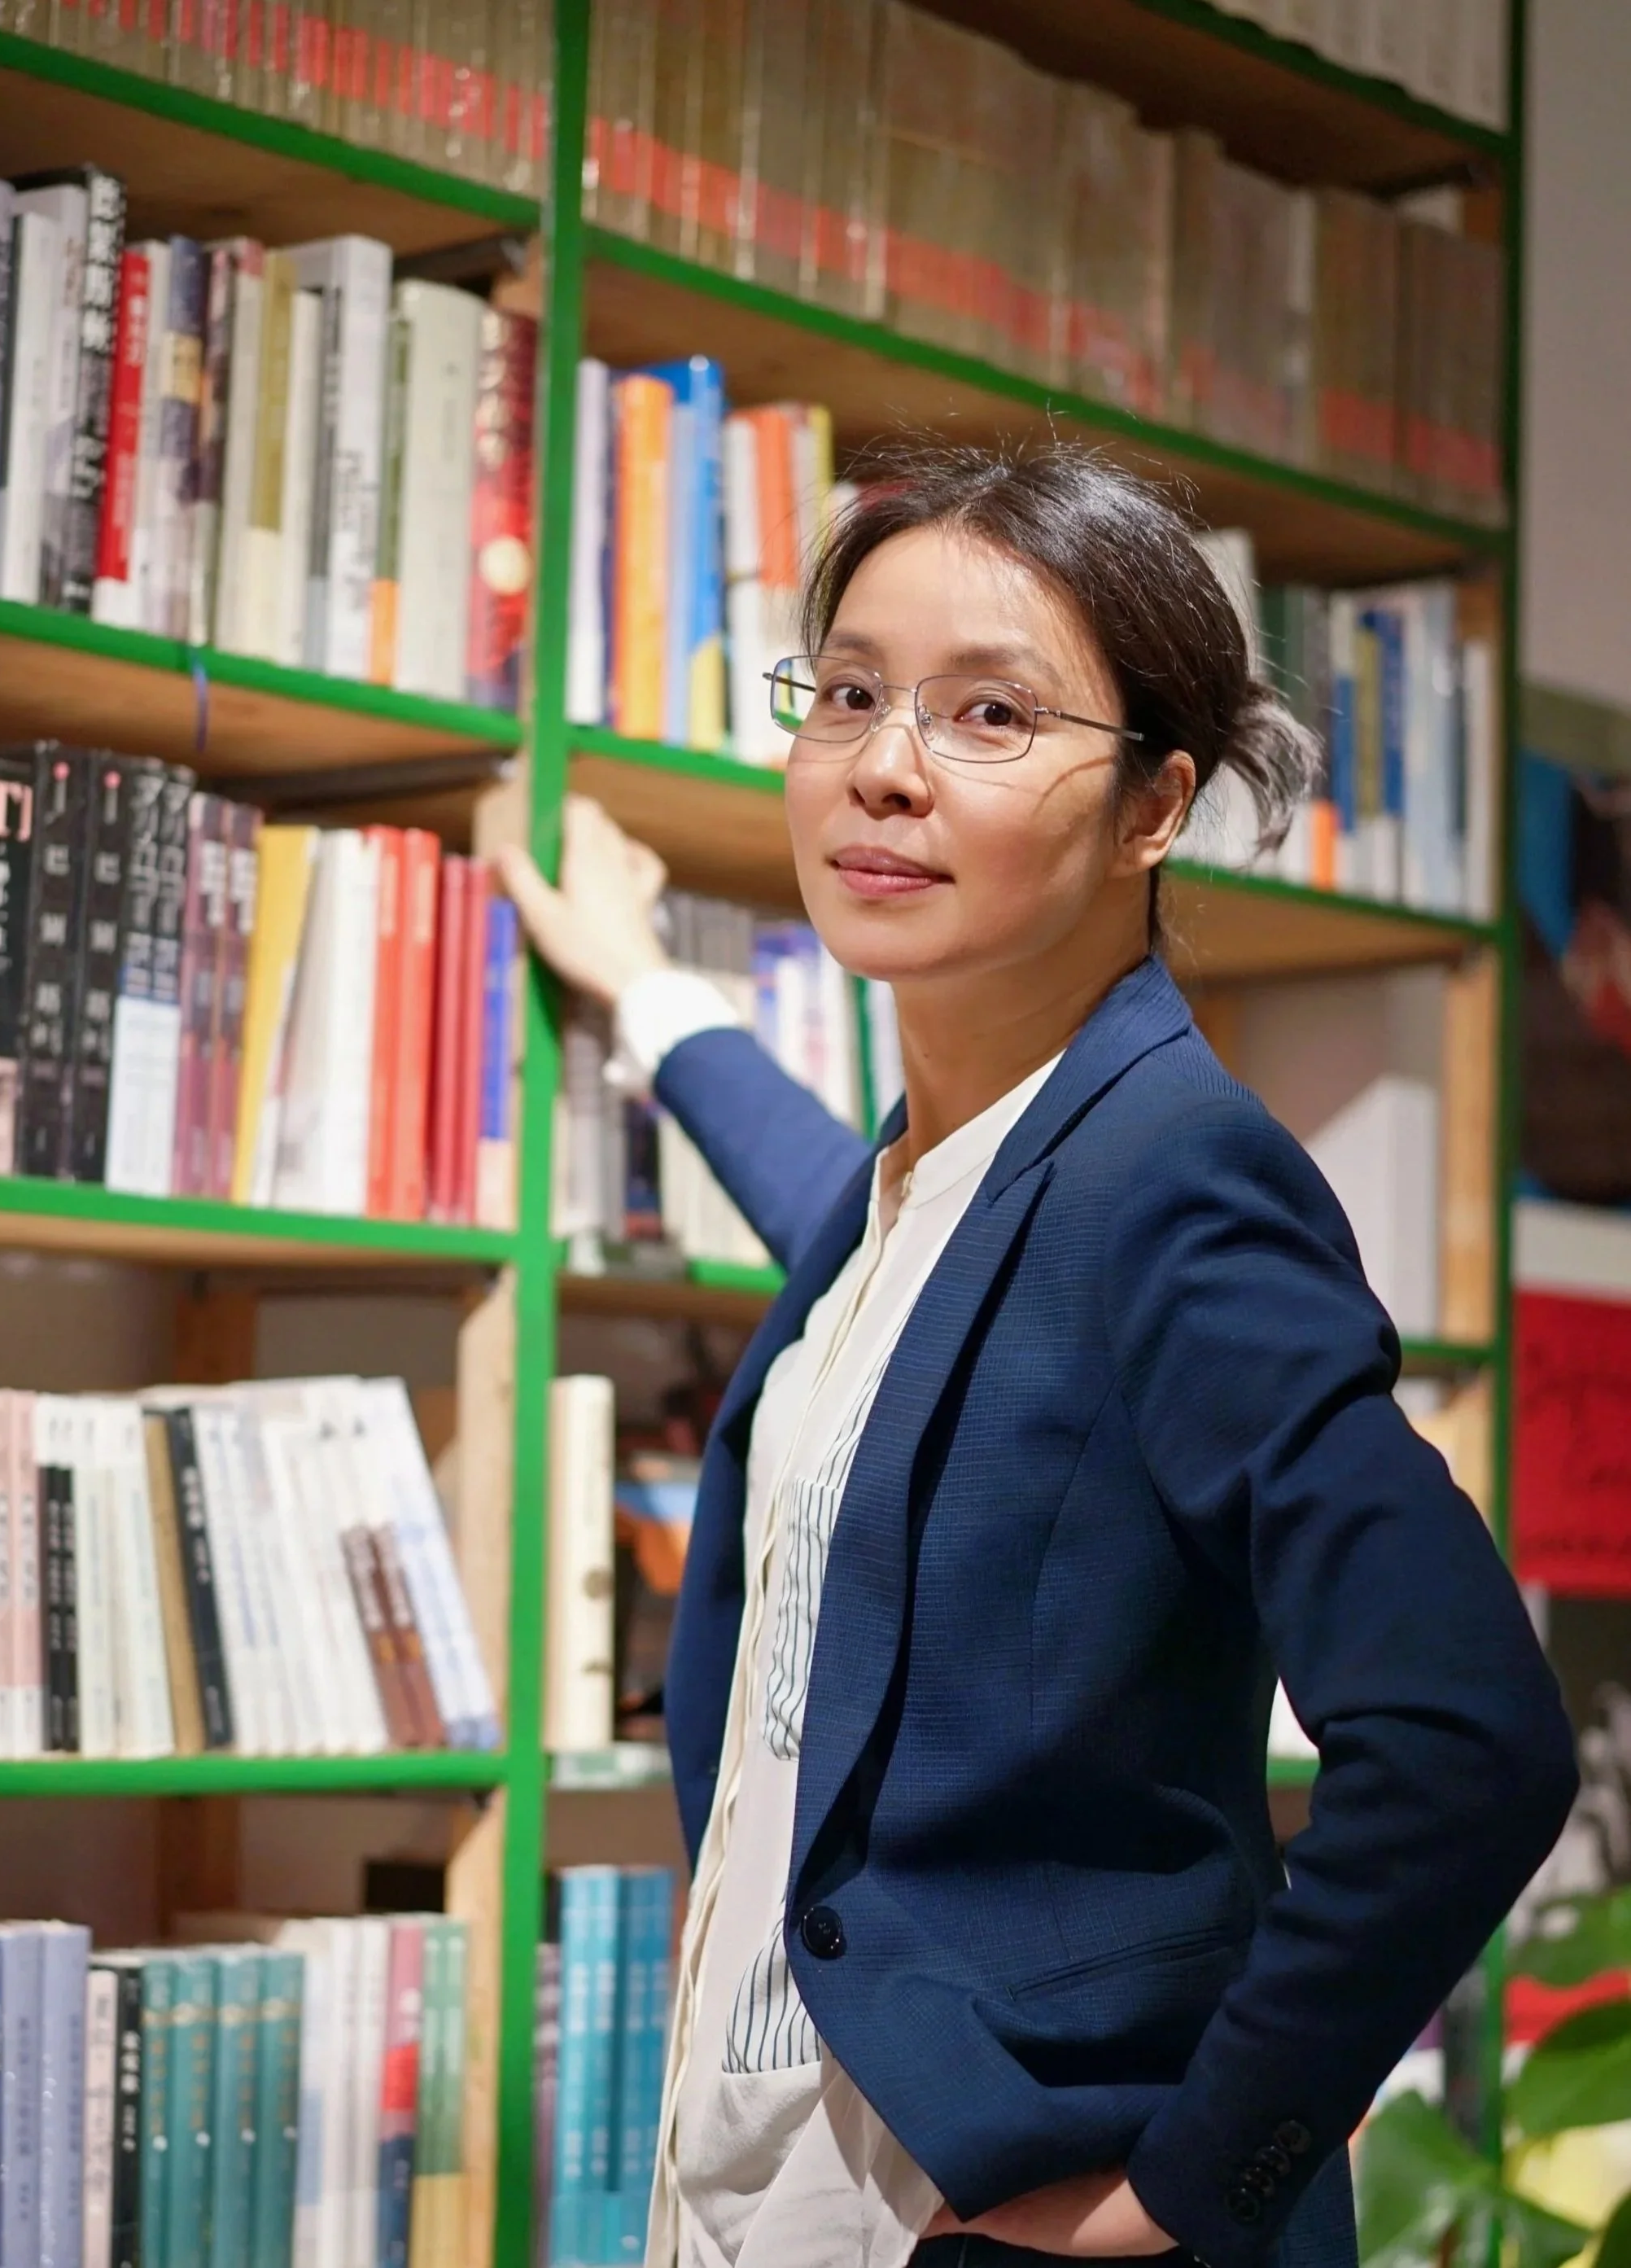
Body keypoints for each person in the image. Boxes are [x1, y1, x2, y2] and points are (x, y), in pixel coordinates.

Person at [500, 444, 1577, 2268]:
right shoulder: (924, 1187)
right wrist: (647, 990)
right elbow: (832, 1221)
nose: (884, 763)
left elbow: (1469, 1738)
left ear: (1156, 802)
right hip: (760, 2172)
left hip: (971, 2197)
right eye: (846, 693)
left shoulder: (1177, 1180)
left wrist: (1189, 2186)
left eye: (988, 712)